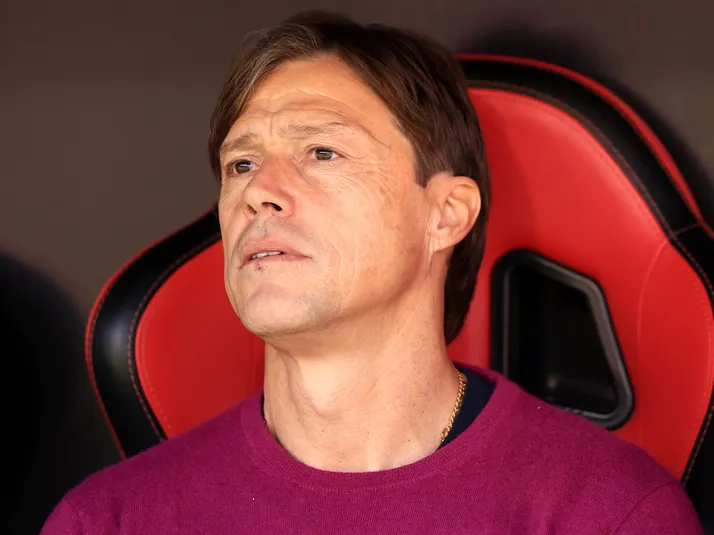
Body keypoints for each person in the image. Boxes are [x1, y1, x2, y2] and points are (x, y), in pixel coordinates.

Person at [41, 11, 703, 534]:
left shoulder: (609, 514)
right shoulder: (105, 521)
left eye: (321, 151)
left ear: (445, 214)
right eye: (241, 164)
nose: (258, 191)